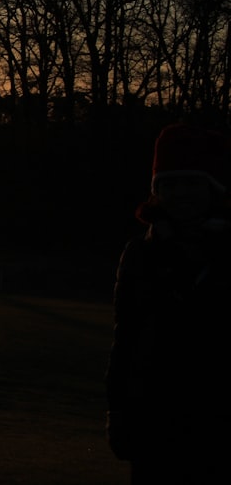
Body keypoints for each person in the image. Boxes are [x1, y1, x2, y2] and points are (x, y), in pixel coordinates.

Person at [107, 123, 231, 483]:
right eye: (170, 184)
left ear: (212, 189)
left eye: (192, 183)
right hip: (154, 421)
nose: (181, 193)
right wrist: (119, 414)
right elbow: (125, 340)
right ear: (157, 191)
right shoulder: (140, 254)